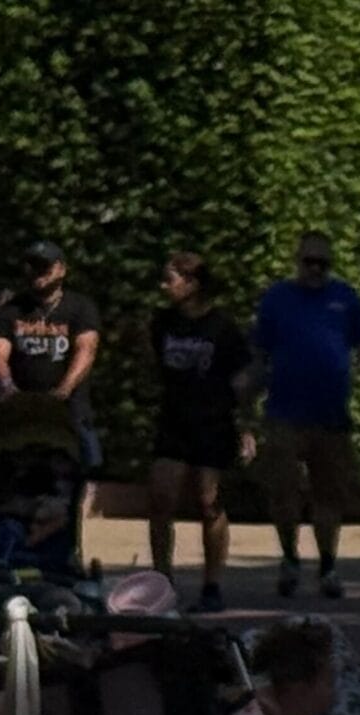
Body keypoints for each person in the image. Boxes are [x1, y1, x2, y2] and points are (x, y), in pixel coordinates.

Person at [246, 231, 360, 600]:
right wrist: (246, 406)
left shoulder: (345, 298)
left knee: (329, 495)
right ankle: (290, 558)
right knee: (284, 492)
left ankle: (328, 564)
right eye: (308, 261)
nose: (314, 269)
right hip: (284, 413)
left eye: (322, 263)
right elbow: (260, 356)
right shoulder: (277, 299)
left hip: (331, 416)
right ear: (298, 261)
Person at [147, 252, 253, 611]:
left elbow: (241, 380)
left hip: (213, 421)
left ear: (192, 283)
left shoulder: (222, 327)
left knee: (209, 503)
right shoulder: (162, 323)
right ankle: (162, 579)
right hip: (174, 421)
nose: (165, 286)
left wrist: (247, 426)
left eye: (170, 279)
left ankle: (212, 586)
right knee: (161, 499)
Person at [0, 241, 103, 471]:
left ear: (61, 269)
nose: (37, 272)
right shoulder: (12, 309)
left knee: (87, 467)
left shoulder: (80, 307)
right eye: (32, 266)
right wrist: (9, 387)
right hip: (23, 405)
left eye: (44, 266)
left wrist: (64, 389)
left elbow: (86, 351)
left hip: (69, 407)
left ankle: (82, 506)